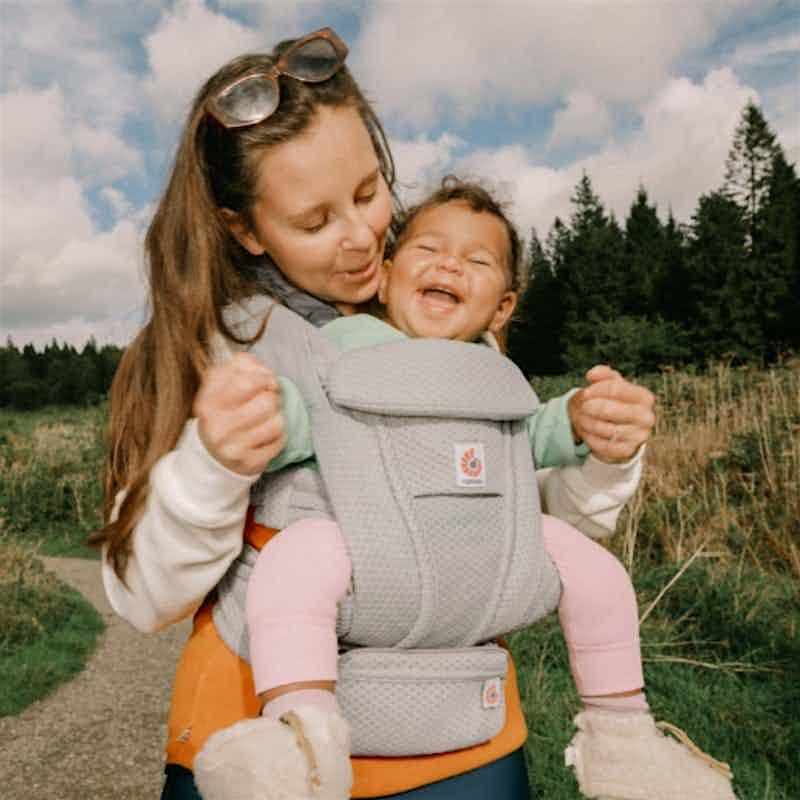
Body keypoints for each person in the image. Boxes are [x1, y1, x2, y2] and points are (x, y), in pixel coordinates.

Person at [94, 28, 658, 800]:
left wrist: (603, 455)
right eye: (314, 221)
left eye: (368, 193)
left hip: (464, 740)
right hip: (261, 751)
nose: (362, 238)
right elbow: (143, 597)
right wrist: (213, 466)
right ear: (243, 227)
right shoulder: (209, 348)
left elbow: (523, 529)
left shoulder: (447, 319)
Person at [192, 179, 736, 800]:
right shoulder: (338, 352)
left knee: (596, 571)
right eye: (428, 250)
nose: (449, 264)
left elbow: (531, 436)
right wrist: (256, 415)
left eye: (476, 260)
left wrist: (583, 420)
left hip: (478, 564)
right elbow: (302, 412)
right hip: (367, 553)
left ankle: (623, 736)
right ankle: (300, 736)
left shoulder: (496, 379)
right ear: (385, 277)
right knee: (296, 557)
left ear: (501, 308)